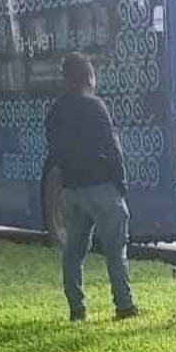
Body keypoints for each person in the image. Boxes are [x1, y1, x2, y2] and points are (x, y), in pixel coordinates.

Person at [44, 52, 137, 322]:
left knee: (73, 251)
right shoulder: (95, 106)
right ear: (89, 77)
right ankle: (124, 304)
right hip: (102, 187)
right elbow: (112, 146)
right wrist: (121, 182)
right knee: (116, 249)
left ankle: (77, 308)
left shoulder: (56, 111)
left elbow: (54, 150)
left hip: (72, 189)